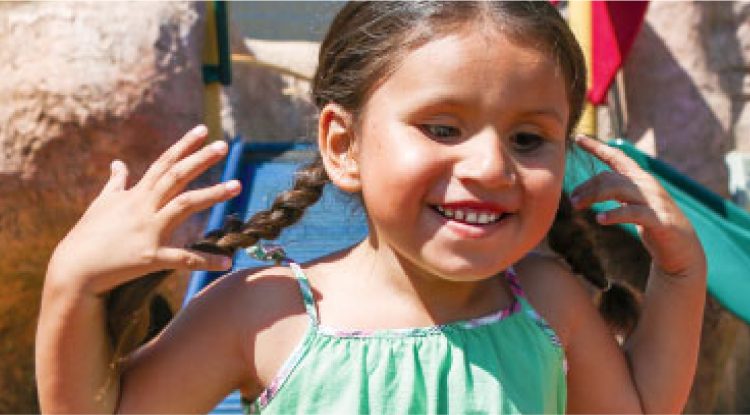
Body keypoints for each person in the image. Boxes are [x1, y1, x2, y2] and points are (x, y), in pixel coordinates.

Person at [36, 2, 707, 413]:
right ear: (343, 143)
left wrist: (680, 277)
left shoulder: (546, 300)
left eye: (528, 138)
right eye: (442, 128)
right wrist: (72, 284)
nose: (492, 166)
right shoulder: (265, 312)